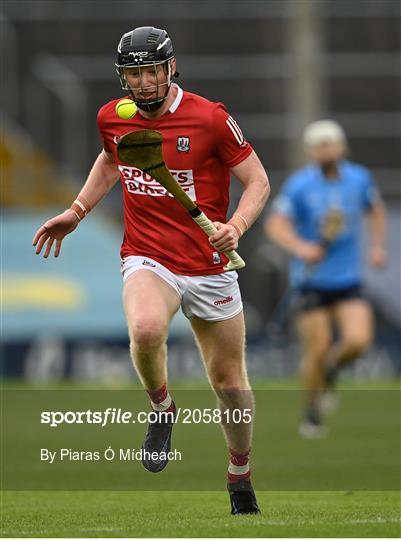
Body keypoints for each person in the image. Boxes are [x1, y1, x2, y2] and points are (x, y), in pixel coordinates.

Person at [33, 26, 270, 514]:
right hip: (148, 254)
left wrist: (237, 225)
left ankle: (240, 473)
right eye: (133, 73)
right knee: (144, 329)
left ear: (171, 68)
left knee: (230, 385)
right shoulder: (113, 118)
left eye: (150, 71)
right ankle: (162, 407)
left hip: (210, 266)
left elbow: (258, 180)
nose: (141, 84)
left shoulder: (211, 118)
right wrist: (76, 211)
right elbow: (110, 160)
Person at [265, 120, 387, 438]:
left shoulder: (359, 178)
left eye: (330, 143)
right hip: (311, 278)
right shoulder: (300, 185)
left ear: (342, 146)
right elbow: (276, 225)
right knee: (316, 348)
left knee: (358, 341)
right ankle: (312, 413)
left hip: (348, 277)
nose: (326, 149)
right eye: (319, 144)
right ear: (310, 150)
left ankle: (331, 370)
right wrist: (302, 247)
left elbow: (375, 210)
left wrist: (375, 247)